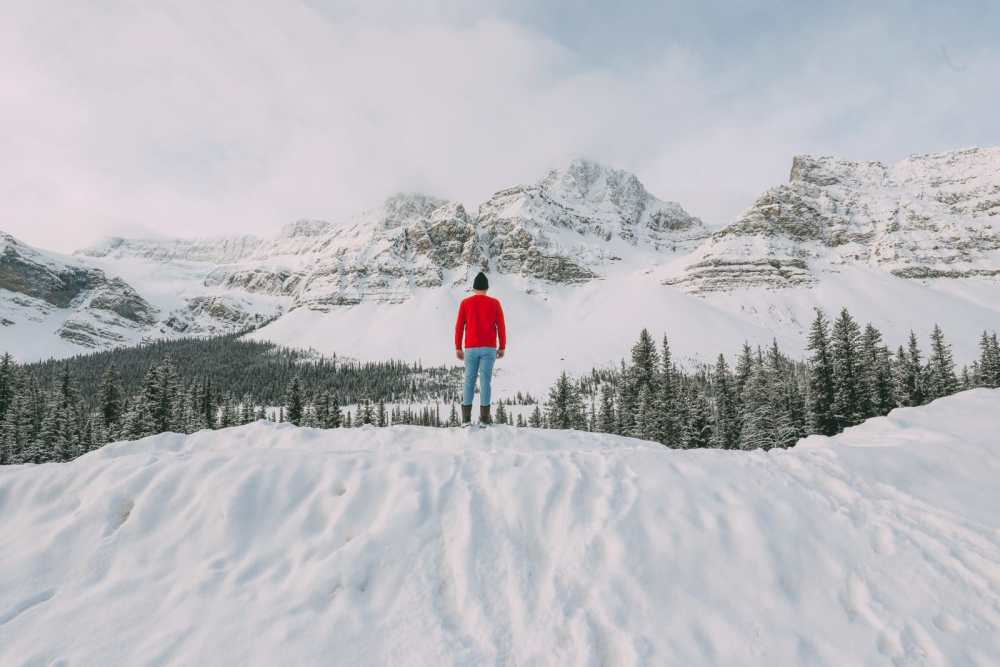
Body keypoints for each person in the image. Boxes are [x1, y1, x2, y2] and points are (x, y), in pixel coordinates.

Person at [454, 271, 506, 426]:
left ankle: (465, 420)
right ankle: (484, 420)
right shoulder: (495, 303)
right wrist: (502, 346)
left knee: (469, 381)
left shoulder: (465, 303)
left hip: (470, 348)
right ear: (487, 288)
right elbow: (501, 326)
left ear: (474, 288)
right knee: (485, 382)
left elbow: (459, 327)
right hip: (489, 348)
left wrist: (458, 347)